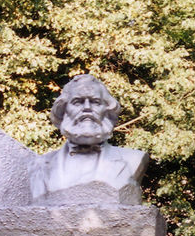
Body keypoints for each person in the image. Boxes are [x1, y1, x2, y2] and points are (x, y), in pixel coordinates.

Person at [28, 74, 148, 205]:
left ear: (107, 110)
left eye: (95, 102)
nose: (87, 108)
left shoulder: (133, 159)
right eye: (77, 102)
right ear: (64, 110)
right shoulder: (39, 166)